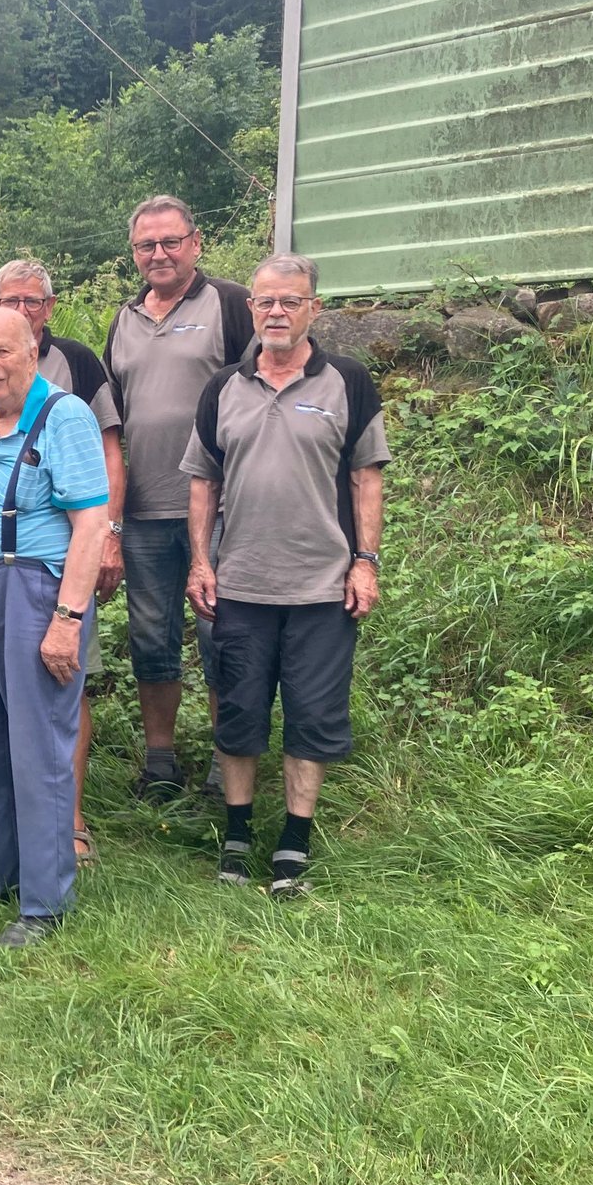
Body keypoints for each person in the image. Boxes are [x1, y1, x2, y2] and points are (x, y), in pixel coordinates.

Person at [181, 253, 388, 898]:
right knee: (239, 713)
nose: (276, 312)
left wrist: (365, 562)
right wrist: (200, 561)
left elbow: (366, 478)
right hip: (240, 584)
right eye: (266, 301)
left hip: (323, 586)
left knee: (311, 715)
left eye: (290, 302)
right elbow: (203, 483)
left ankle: (294, 839)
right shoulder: (222, 387)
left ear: (313, 309)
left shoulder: (348, 381)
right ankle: (238, 831)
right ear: (251, 308)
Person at [0, 260, 122, 866]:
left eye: (2, 352)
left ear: (31, 353)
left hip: (31, 591)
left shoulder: (64, 414)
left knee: (37, 743)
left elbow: (91, 524)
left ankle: (44, 895)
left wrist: (68, 620)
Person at [104, 196, 255, 803]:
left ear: (196, 243)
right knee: (151, 638)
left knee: (221, 636)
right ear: (134, 252)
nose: (159, 254)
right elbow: (113, 420)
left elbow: (263, 393)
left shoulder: (231, 303)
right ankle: (160, 762)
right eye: (147, 245)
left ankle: (226, 764)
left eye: (171, 241)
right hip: (144, 509)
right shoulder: (124, 319)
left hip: (219, 509)